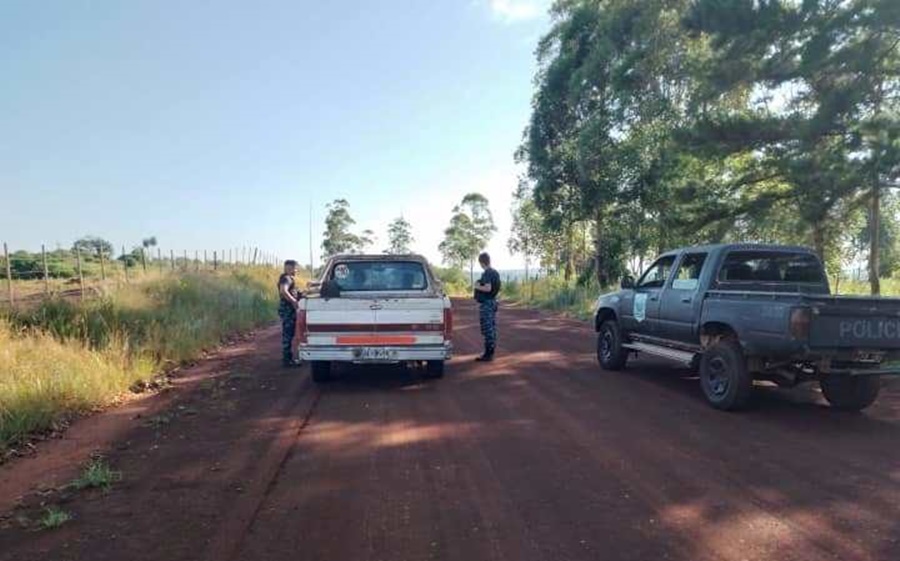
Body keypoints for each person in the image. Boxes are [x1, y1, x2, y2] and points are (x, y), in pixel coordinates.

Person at [473, 252, 501, 362]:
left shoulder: (487, 273)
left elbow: (488, 288)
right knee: (491, 327)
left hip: (487, 303)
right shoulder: (495, 272)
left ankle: (488, 353)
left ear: (481, 262)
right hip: (493, 301)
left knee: (487, 328)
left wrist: (477, 286)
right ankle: (490, 352)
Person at [278, 260, 302, 367]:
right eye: (295, 269)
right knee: (288, 335)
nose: (296, 271)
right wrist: (294, 301)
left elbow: (293, 291)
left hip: (288, 310)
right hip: (288, 311)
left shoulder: (287, 278)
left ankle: (288, 359)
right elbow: (283, 290)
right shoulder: (287, 278)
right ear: (291, 268)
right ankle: (287, 360)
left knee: (289, 334)